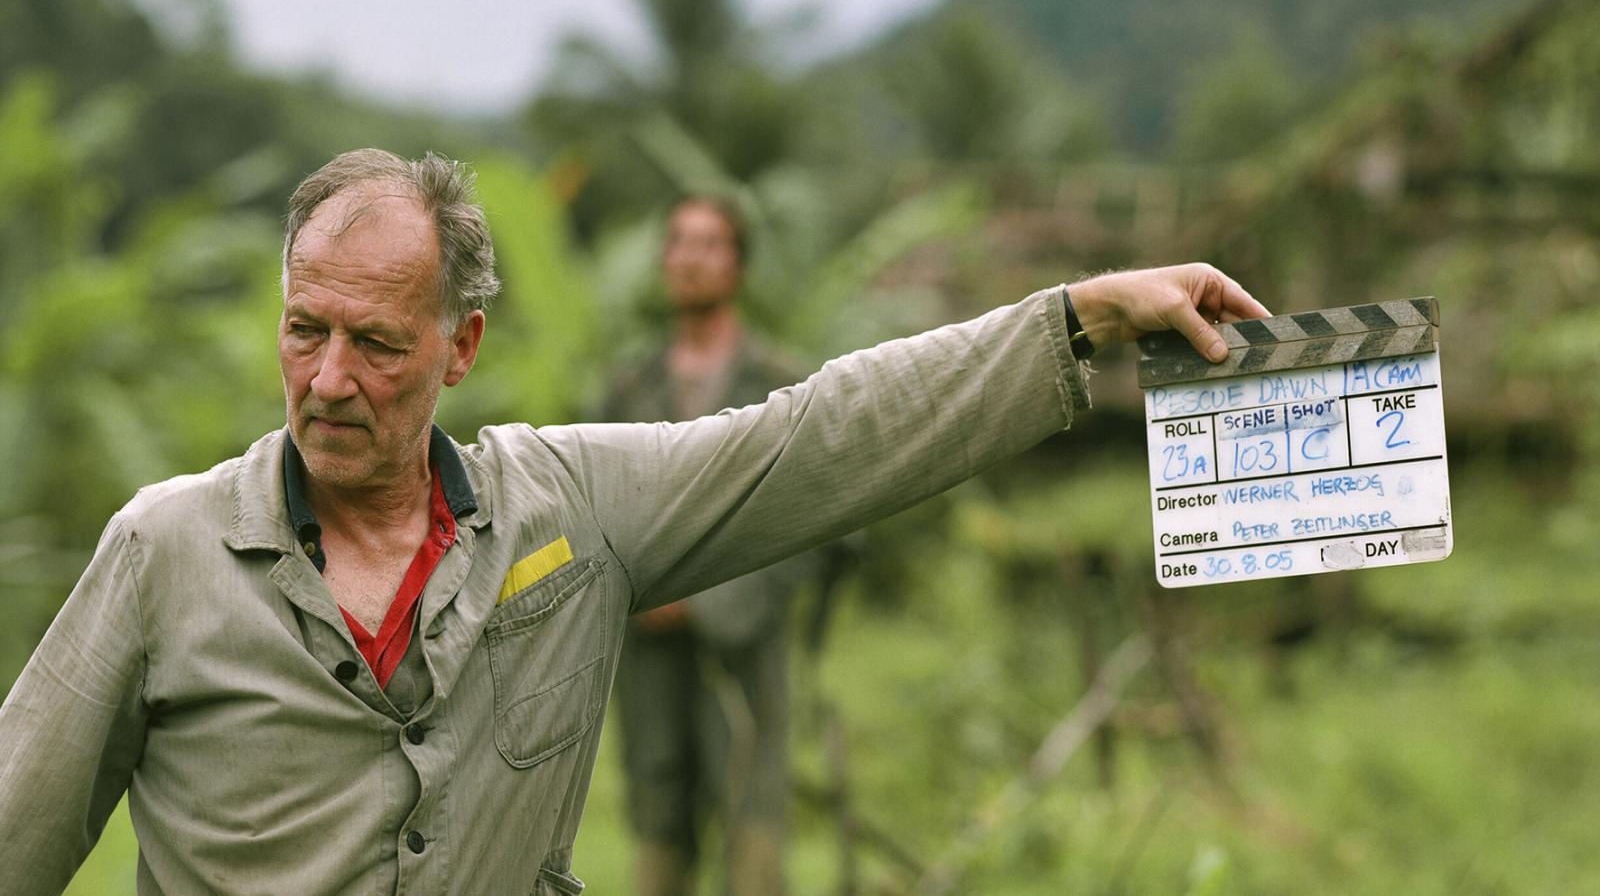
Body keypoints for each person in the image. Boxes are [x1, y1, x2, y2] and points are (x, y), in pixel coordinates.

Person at [0, 148, 1267, 894]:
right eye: (304, 329)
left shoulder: (568, 507)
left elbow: (821, 435)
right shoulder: (163, 551)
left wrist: (1078, 318)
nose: (328, 379)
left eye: (377, 343)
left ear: (461, 348)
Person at [601, 196, 833, 895]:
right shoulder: (629, 385)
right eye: (677, 241)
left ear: (738, 264)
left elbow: (811, 519)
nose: (689, 257)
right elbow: (594, 505)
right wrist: (637, 592)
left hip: (744, 645)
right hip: (647, 647)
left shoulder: (778, 383)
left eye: (709, 243)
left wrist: (707, 602)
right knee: (657, 812)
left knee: (751, 811)